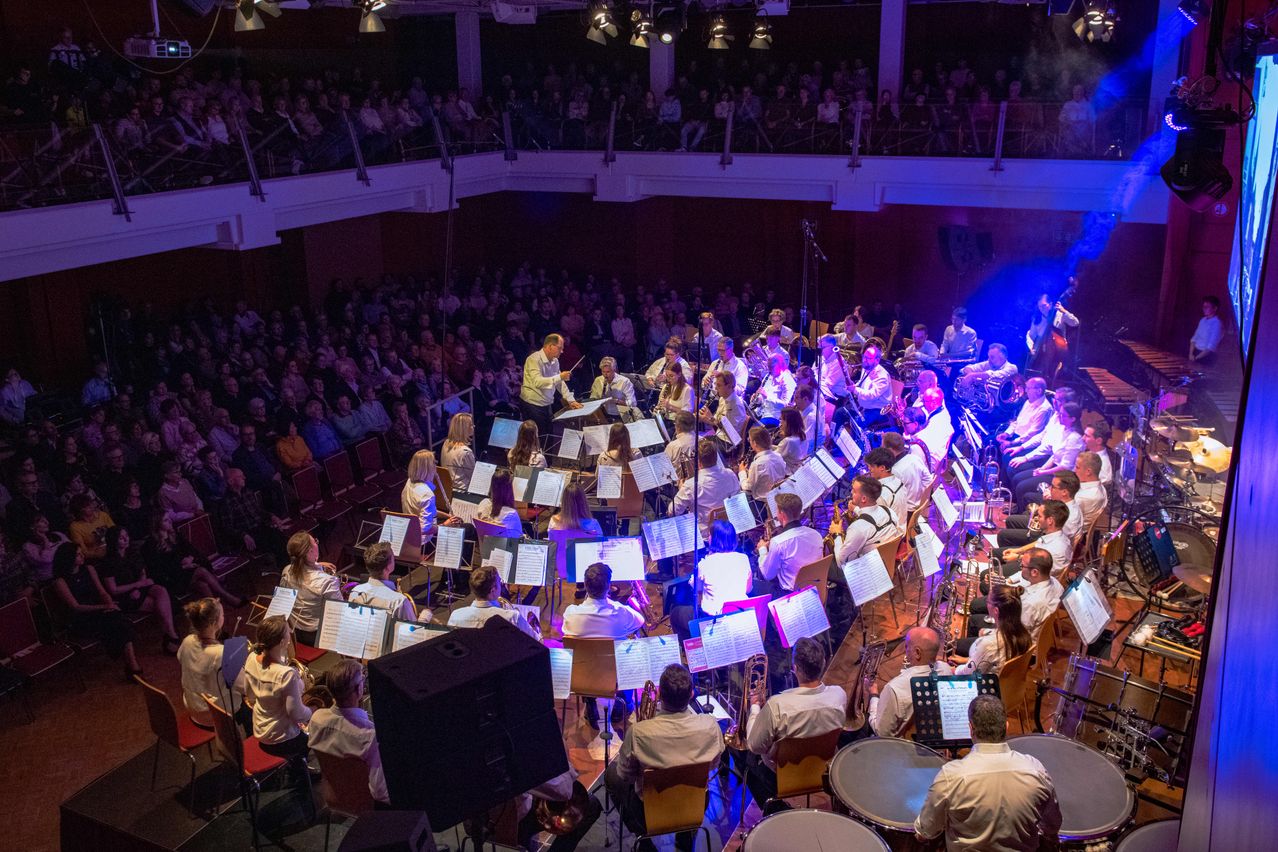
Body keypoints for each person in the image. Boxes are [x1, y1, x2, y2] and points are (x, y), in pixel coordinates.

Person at [915, 695, 1062, 850]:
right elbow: (1052, 826)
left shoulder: (950, 776)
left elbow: (926, 831)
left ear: (971, 729)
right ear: (1006, 726)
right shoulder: (1036, 770)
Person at [606, 664, 724, 852]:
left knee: (611, 776)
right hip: (694, 807)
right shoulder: (711, 725)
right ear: (691, 694)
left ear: (659, 694)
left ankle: (643, 838)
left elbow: (625, 775)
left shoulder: (638, 732)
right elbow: (713, 765)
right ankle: (685, 839)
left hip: (648, 812)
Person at [745, 638, 847, 813]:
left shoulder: (777, 705)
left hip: (784, 775)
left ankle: (776, 810)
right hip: (822, 769)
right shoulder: (839, 696)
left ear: (796, 669)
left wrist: (755, 707)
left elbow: (755, 746)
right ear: (823, 663)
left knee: (745, 758)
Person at [50, 542, 142, 678]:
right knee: (117, 622)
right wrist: (105, 607)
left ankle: (132, 665)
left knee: (116, 620)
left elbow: (102, 592)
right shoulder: (60, 581)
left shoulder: (89, 569)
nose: (82, 556)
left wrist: (109, 603)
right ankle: (132, 666)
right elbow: (75, 606)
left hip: (98, 610)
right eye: (78, 555)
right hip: (80, 617)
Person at [308, 659, 389, 804]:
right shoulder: (369, 736)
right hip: (364, 804)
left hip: (331, 796)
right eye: (362, 680)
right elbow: (380, 793)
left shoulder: (316, 719)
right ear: (359, 690)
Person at [98, 526, 182, 653]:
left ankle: (171, 636)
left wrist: (139, 585)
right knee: (159, 605)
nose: (126, 539)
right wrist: (137, 585)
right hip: (124, 595)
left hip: (139, 588)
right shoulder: (108, 562)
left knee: (160, 590)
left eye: (126, 536)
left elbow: (142, 573)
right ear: (114, 540)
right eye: (121, 537)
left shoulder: (133, 553)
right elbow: (113, 590)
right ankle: (171, 637)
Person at [243, 615, 313, 762]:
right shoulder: (286, 674)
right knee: (319, 730)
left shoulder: (251, 658)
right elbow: (297, 714)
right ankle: (300, 768)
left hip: (260, 728)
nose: (290, 638)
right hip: (282, 738)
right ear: (281, 642)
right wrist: (313, 711)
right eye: (288, 634)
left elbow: (250, 697)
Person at [671, 520, 751, 639]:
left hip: (713, 620)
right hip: (739, 614)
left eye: (709, 535)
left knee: (675, 613)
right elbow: (748, 589)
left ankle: (692, 646)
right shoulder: (744, 559)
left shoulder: (706, 563)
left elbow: (695, 587)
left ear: (713, 539)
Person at [868, 626, 953, 737]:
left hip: (901, 743)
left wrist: (874, 695)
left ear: (917, 653)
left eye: (907, 646)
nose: (905, 651)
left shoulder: (894, 689)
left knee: (855, 732)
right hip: (933, 732)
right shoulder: (946, 669)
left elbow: (882, 733)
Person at [144, 513, 242, 606]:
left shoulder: (175, 535)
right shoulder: (152, 545)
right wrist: (183, 566)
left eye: (169, 518)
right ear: (158, 524)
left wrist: (190, 557)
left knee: (202, 585)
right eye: (165, 520)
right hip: (172, 578)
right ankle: (228, 597)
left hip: (186, 575)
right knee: (201, 571)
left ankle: (215, 611)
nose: (170, 521)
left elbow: (192, 549)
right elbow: (161, 568)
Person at [178, 598, 247, 729]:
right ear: (215, 623)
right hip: (218, 717)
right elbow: (245, 687)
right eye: (222, 615)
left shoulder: (187, 641)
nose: (223, 617)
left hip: (194, 709)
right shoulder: (221, 653)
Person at [1009, 402, 1085, 508]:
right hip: (1052, 468)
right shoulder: (1063, 430)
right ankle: (1017, 507)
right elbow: (1055, 455)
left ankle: (1025, 514)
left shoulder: (1075, 438)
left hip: (1063, 476)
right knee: (1017, 478)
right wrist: (1043, 468)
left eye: (1063, 415)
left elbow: (1065, 467)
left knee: (1022, 487)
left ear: (1073, 419)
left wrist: (1044, 472)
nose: (1059, 416)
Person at [279, 531, 343, 646]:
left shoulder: (286, 571)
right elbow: (340, 612)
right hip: (318, 634)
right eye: (315, 542)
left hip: (295, 630)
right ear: (310, 551)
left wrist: (318, 564)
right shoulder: (327, 581)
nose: (317, 543)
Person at [955, 584, 1033, 676]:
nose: (986, 604)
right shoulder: (1024, 633)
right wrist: (968, 660)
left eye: (988, 601)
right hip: (1009, 680)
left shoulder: (988, 644)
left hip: (987, 682)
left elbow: (968, 674)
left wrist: (954, 670)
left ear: (996, 611)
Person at [757, 492, 825, 596]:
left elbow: (767, 575)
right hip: (816, 591)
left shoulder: (778, 542)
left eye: (777, 511)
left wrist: (762, 550)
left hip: (791, 596)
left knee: (758, 585)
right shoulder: (816, 535)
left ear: (782, 514)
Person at [989, 501, 1072, 585]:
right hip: (1029, 564)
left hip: (1031, 579)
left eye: (1039, 516)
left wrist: (1008, 581)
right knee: (994, 554)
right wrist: (1018, 551)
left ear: (1050, 520)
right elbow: (1038, 544)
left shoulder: (1057, 550)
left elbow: (1035, 577)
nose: (1036, 518)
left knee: (987, 580)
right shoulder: (1052, 535)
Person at [995, 470, 1082, 549]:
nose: (1050, 489)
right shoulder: (1064, 503)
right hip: (1046, 532)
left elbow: (1051, 540)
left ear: (1064, 492)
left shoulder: (1070, 516)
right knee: (1012, 520)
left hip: (1047, 542)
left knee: (1003, 535)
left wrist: (1020, 551)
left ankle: (1013, 555)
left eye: (1053, 487)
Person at [671, 438, 742, 536]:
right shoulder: (730, 474)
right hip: (729, 531)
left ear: (698, 461)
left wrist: (681, 489)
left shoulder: (691, 485)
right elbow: (737, 499)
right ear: (716, 457)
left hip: (705, 536)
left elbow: (673, 511)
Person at [447, 564, 538, 637]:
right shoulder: (512, 617)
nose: (501, 584)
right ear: (493, 590)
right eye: (499, 582)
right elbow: (535, 640)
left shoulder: (456, 616)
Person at [520, 333, 580, 434]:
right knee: (538, 437)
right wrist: (560, 377)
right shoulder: (533, 359)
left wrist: (571, 400)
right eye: (560, 348)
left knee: (549, 435)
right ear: (550, 346)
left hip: (546, 403)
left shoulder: (555, 361)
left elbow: (559, 383)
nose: (562, 351)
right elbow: (538, 382)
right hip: (532, 404)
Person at [834, 475, 900, 565]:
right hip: (888, 562)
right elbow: (871, 518)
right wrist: (856, 509)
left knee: (831, 564)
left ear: (864, 498)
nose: (851, 492)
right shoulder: (888, 511)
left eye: (854, 491)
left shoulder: (857, 528)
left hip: (868, 569)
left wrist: (837, 534)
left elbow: (841, 562)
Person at [350, 541, 417, 622]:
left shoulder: (356, 591)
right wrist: (424, 618)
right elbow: (411, 629)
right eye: (393, 558)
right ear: (388, 567)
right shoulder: (399, 601)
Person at [994, 377, 1052, 456]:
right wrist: (1006, 433)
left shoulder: (1045, 409)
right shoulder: (1028, 402)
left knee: (1007, 456)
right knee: (990, 441)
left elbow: (1032, 434)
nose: (1026, 391)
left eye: (1028, 388)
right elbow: (1017, 422)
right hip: (1015, 436)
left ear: (1039, 391)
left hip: (1026, 442)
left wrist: (1011, 443)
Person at [882, 431, 932, 510]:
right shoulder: (915, 458)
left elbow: (890, 501)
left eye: (883, 447)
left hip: (907, 512)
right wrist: (922, 500)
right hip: (922, 507)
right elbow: (929, 481)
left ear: (890, 450)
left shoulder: (894, 471)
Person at [699, 372, 748, 451]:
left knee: (702, 450)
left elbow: (731, 433)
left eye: (719, 385)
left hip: (729, 444)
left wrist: (710, 418)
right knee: (696, 443)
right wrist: (703, 418)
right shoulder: (722, 398)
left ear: (729, 386)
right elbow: (717, 422)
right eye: (715, 384)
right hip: (719, 437)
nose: (716, 388)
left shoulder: (736, 405)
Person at [738, 427, 787, 499]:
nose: (750, 442)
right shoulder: (778, 456)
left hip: (762, 499)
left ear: (754, 443)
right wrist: (751, 473)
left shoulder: (757, 464)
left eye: (750, 440)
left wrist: (742, 472)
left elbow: (747, 487)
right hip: (777, 494)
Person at [851, 344, 892, 430]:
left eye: (868, 358)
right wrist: (854, 385)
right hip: (864, 405)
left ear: (877, 360)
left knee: (856, 424)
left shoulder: (882, 377)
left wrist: (854, 389)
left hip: (877, 409)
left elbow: (871, 395)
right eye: (864, 357)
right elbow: (862, 382)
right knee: (840, 413)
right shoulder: (867, 367)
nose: (864, 360)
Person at [401, 449, 440, 539]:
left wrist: (448, 516)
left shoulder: (409, 482)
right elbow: (424, 529)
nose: (436, 466)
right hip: (425, 540)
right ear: (428, 468)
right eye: (434, 463)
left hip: (410, 532)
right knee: (467, 528)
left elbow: (422, 510)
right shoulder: (427, 494)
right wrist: (445, 525)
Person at [865, 447, 909, 527]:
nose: (869, 469)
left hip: (892, 532)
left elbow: (876, 522)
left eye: (872, 466)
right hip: (902, 525)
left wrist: (856, 509)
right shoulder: (898, 481)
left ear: (882, 468)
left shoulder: (881, 494)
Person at [476, 469, 524, 538]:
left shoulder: (483, 504)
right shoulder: (511, 513)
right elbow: (517, 538)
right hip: (504, 545)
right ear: (509, 489)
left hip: (485, 544)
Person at [67, 492, 114, 561]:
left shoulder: (102, 515)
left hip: (113, 551)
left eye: (91, 504)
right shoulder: (75, 527)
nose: (92, 507)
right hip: (95, 559)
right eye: (87, 506)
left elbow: (115, 532)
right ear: (80, 510)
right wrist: (96, 554)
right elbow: (82, 551)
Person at [752, 354, 796, 426]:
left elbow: (786, 405)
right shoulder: (768, 376)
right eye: (768, 366)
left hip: (775, 416)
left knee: (755, 429)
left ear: (779, 365)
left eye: (771, 366)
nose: (769, 369)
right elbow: (762, 396)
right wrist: (757, 398)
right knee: (745, 420)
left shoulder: (787, 380)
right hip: (761, 412)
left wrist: (767, 396)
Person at [915, 387, 955, 464]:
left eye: (924, 401)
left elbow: (923, 441)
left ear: (933, 402)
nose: (922, 403)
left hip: (929, 461)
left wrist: (910, 436)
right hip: (932, 454)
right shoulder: (940, 412)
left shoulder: (939, 421)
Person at [440, 412, 477, 494]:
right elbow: (473, 476)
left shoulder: (446, 443)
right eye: (471, 425)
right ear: (464, 429)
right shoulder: (465, 452)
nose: (474, 426)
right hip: (463, 492)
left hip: (449, 489)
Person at [704, 338, 749, 403]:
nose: (720, 353)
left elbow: (740, 390)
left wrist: (723, 379)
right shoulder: (715, 363)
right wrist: (705, 383)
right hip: (712, 400)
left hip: (729, 403)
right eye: (718, 350)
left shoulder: (740, 366)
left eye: (722, 350)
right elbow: (703, 384)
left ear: (731, 350)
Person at [1074, 452, 1108, 526]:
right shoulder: (1102, 488)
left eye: (1077, 467)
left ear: (1088, 472)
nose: (1074, 470)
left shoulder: (1082, 497)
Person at [1189, 295, 1223, 366]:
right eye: (1203, 307)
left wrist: (1196, 358)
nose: (1204, 309)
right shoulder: (1202, 320)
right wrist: (1191, 354)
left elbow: (1210, 347)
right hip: (1195, 353)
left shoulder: (1217, 323)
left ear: (1215, 308)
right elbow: (1194, 338)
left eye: (1207, 307)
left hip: (1206, 357)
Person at [664, 410, 697, 475]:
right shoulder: (703, 440)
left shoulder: (673, 446)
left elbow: (665, 468)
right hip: (699, 477)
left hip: (680, 479)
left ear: (678, 427)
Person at [776, 407, 806, 474]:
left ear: (788, 422)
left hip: (787, 473)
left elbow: (774, 458)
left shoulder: (789, 441)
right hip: (797, 470)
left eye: (782, 419)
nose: (780, 423)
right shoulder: (803, 435)